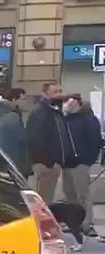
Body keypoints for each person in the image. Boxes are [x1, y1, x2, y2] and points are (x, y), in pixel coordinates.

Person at [62, 94, 104, 240]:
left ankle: (87, 223)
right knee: (70, 194)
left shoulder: (89, 120)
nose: (67, 105)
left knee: (82, 194)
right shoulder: (65, 119)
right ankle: (74, 222)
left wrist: (87, 159)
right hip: (66, 162)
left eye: (70, 103)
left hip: (81, 162)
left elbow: (96, 141)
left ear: (78, 104)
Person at [26, 82, 74, 203]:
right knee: (44, 197)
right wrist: (48, 162)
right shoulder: (41, 112)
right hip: (46, 163)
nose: (59, 95)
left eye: (60, 91)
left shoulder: (55, 112)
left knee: (48, 196)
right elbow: (35, 138)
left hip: (54, 162)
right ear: (45, 94)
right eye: (55, 92)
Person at [0, 87, 28, 173]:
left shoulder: (1, 114)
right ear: (14, 100)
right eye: (23, 99)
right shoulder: (13, 117)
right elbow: (21, 141)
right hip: (14, 164)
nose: (26, 102)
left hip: (3, 162)